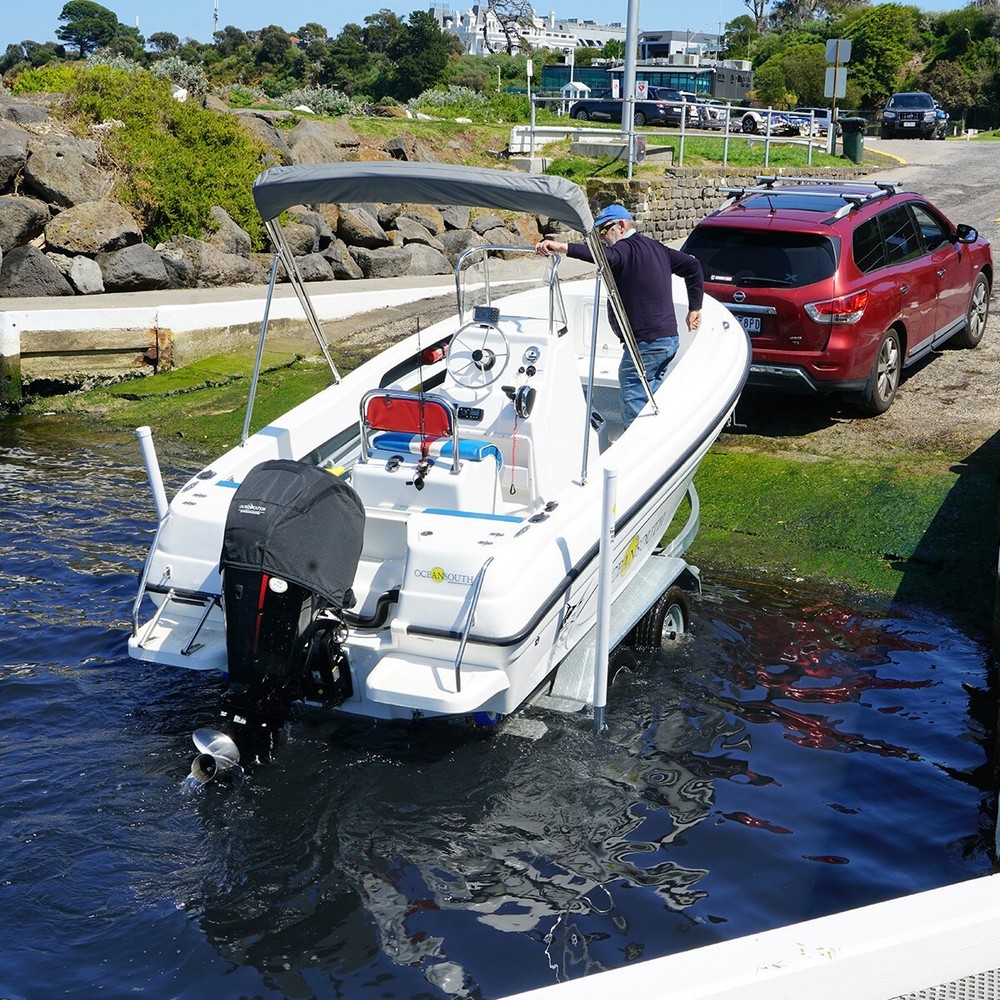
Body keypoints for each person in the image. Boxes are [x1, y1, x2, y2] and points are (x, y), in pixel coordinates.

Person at [535, 204, 703, 428]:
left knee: (634, 393)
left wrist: (562, 247)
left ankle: (638, 443)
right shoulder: (655, 247)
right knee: (651, 398)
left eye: (604, 230)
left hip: (646, 344)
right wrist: (695, 307)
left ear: (621, 226)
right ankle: (656, 434)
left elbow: (603, 256)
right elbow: (692, 265)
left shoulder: (624, 249)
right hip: (668, 340)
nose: (601, 237)